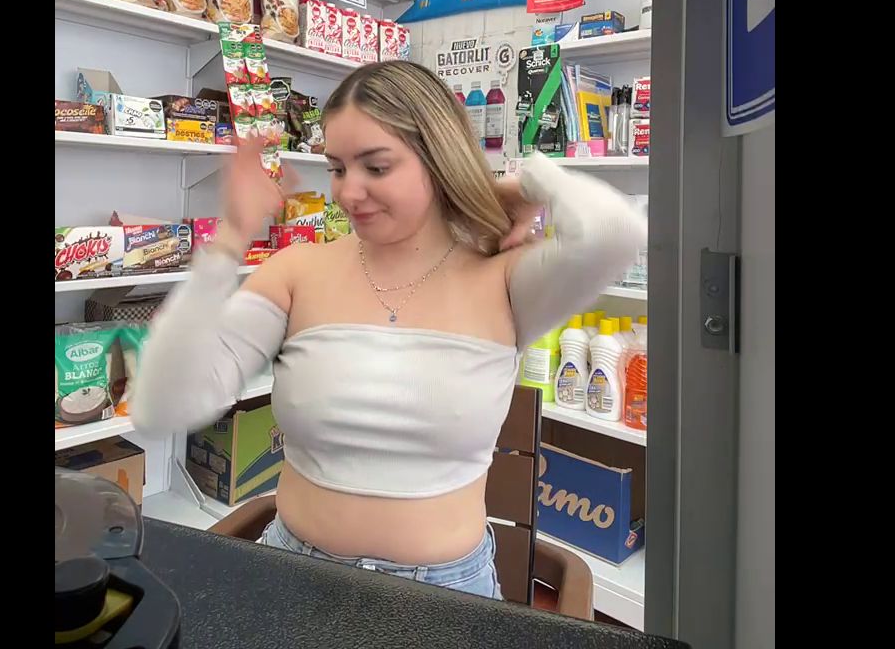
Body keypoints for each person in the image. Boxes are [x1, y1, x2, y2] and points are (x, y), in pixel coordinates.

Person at [132, 60, 645, 599]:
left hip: (445, 598)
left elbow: (615, 233)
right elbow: (162, 406)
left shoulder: (505, 278)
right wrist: (230, 238)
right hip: (291, 574)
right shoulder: (297, 271)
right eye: (337, 168)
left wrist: (525, 183)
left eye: (376, 167)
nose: (348, 193)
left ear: (439, 159)